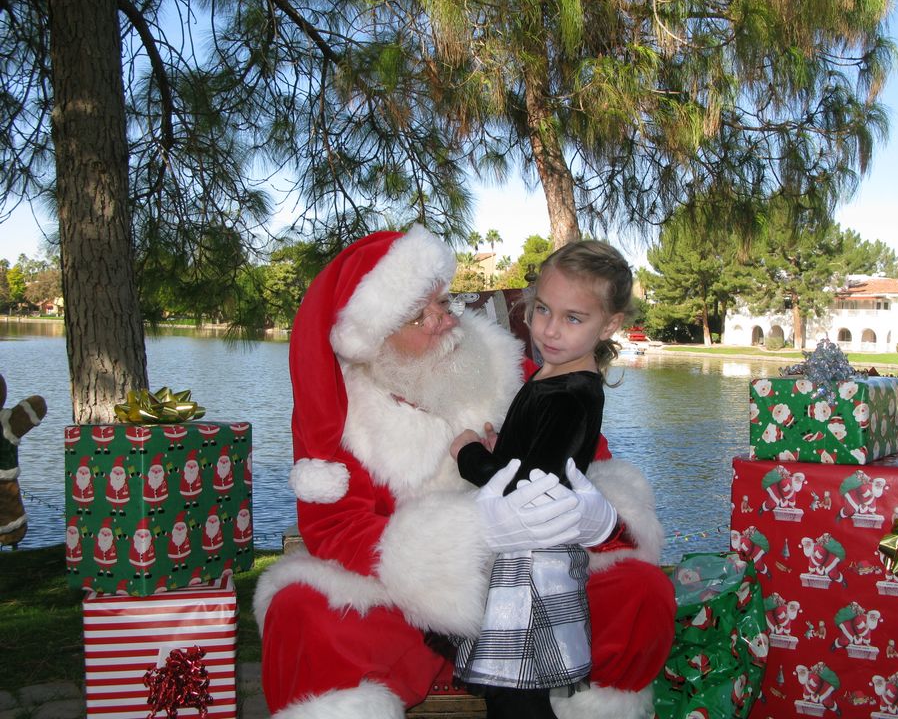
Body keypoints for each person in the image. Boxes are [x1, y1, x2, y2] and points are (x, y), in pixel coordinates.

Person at [255, 225, 675, 719]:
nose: (444, 321)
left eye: (443, 302)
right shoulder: (344, 418)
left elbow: (588, 462)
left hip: (537, 585)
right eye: (418, 315)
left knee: (642, 593)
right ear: (376, 338)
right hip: (407, 605)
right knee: (301, 614)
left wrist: (602, 521)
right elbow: (336, 528)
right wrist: (466, 548)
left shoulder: (503, 362)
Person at [449, 240, 631, 717]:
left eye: (574, 318)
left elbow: (532, 490)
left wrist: (469, 456)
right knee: (512, 697)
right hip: (523, 555)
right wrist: (503, 446)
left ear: (609, 324)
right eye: (543, 309)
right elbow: (536, 459)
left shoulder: (571, 395)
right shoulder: (554, 377)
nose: (549, 329)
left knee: (518, 699)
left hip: (532, 568)